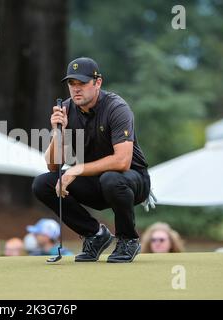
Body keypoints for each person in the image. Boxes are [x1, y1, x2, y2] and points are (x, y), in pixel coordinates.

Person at [32, 57, 151, 263]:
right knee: (43, 183)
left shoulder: (116, 107)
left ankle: (128, 239)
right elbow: (53, 165)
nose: (76, 89)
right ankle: (95, 235)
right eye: (72, 84)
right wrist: (58, 132)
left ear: (97, 83)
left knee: (112, 179)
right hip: (95, 183)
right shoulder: (67, 110)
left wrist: (75, 170)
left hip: (132, 181)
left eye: (82, 83)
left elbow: (122, 161)